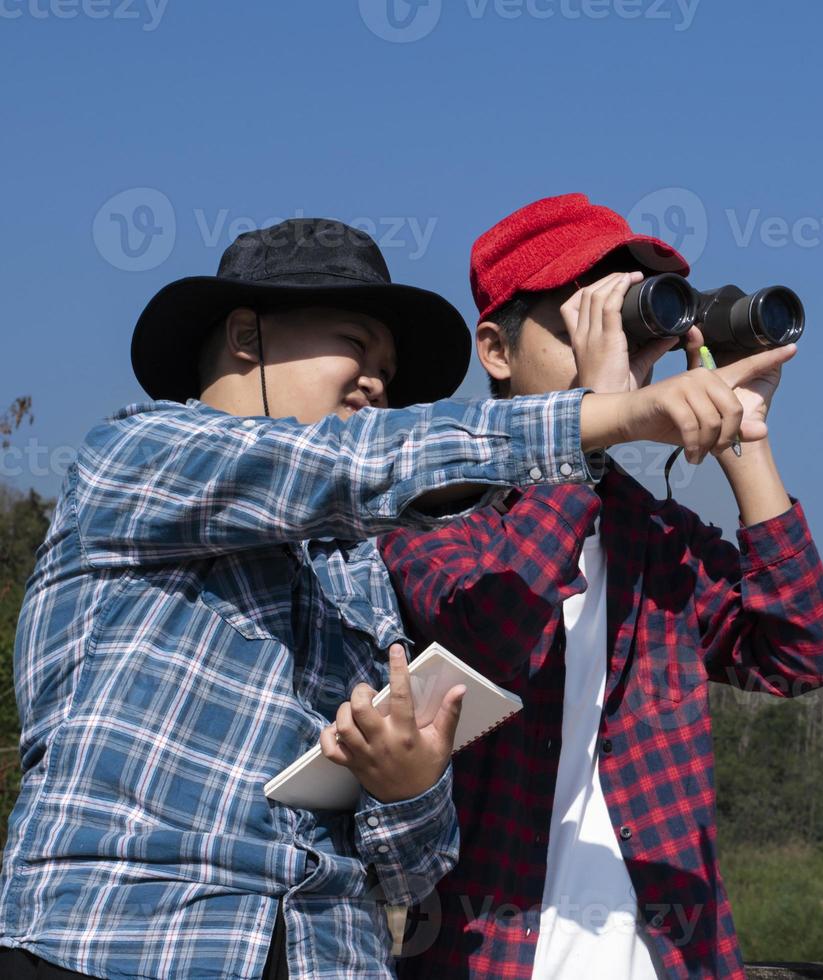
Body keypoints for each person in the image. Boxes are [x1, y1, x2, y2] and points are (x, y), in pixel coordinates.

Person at [0, 217, 770, 980]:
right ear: (245, 336)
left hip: (324, 956)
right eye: (357, 346)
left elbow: (411, 873)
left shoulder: (363, 569)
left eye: (388, 369)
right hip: (113, 943)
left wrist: (409, 783)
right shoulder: (135, 457)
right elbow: (355, 465)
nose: (377, 383)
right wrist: (606, 409)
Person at [381, 194, 823, 980]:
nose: (618, 358)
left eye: (631, 331)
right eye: (581, 329)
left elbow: (802, 654)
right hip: (490, 957)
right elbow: (494, 640)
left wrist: (745, 447)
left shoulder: (656, 541)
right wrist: (586, 430)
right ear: (496, 350)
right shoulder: (432, 513)